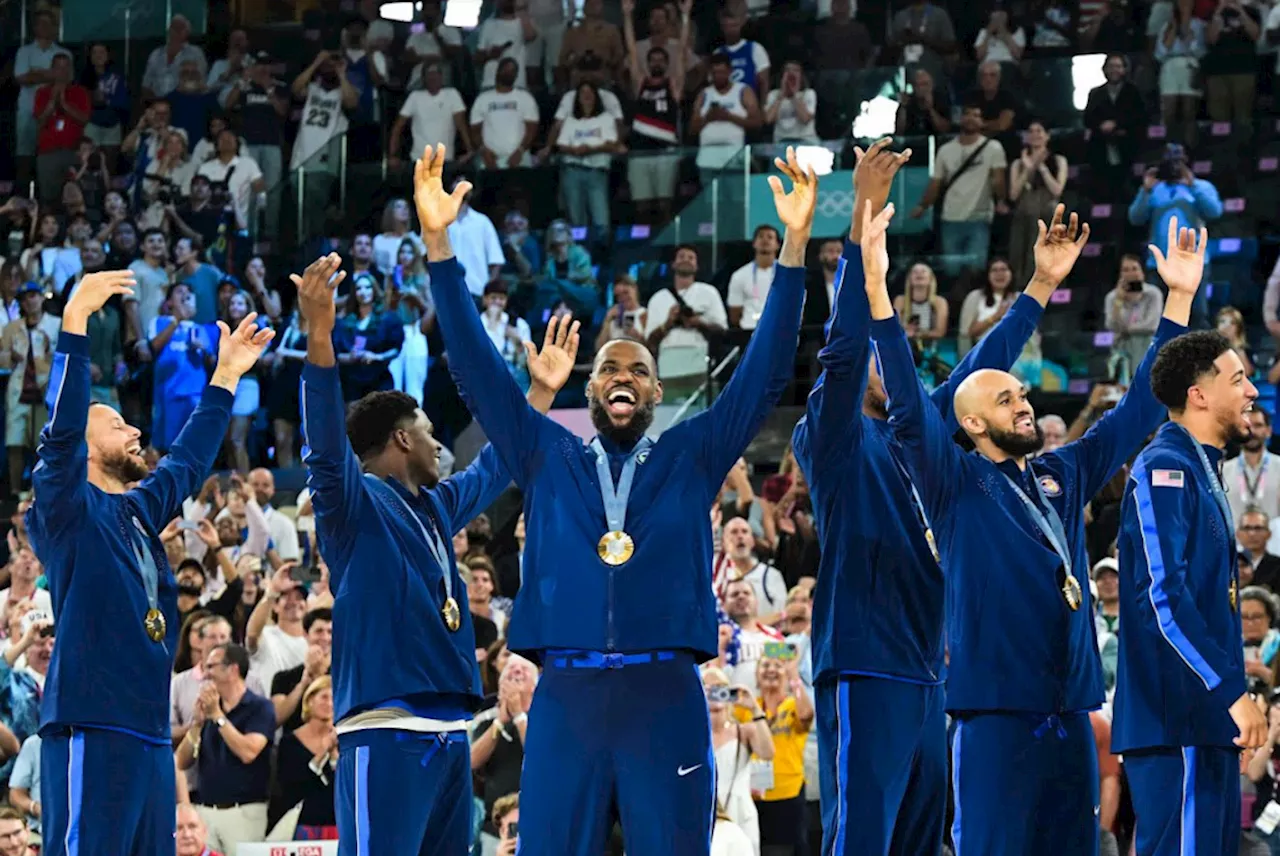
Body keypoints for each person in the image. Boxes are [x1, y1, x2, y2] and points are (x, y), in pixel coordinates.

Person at [417, 141, 814, 855]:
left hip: (666, 694)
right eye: (607, 369)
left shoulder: (692, 453)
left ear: (658, 393)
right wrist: (440, 246)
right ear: (590, 389)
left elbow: (762, 375)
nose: (621, 375)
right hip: (565, 695)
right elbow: (477, 369)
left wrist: (792, 249)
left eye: (636, 368)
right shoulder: (546, 452)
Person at [859, 206, 1201, 854]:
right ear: (974, 426)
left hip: (1073, 716)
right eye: (1006, 399)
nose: (1025, 403)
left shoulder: (1062, 474)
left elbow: (1137, 411)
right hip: (994, 720)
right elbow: (906, 405)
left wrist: (1179, 300)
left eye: (1023, 394)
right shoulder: (951, 480)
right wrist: (879, 292)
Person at [792, 141, 1066, 856]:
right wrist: (859, 227)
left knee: (922, 842)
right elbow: (846, 350)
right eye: (888, 353)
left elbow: (983, 369)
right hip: (863, 659)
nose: (895, 356)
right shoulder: (834, 437)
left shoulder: (922, 435)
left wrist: (1038, 288)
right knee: (861, 840)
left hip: (928, 667)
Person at [294, 251, 578, 856]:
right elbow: (323, 444)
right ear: (400, 438)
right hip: (387, 729)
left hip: (451, 729)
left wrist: (540, 393)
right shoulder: (353, 503)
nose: (438, 443)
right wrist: (320, 334)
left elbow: (498, 463)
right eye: (427, 429)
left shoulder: (436, 506)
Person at [26, 271, 273, 855]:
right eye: (117, 424)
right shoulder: (66, 507)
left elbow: (186, 461)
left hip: (151, 734)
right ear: (84, 446)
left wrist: (226, 377)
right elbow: (60, 436)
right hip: (92, 723)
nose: (136, 430)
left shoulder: (138, 514)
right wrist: (75, 324)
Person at [1113, 327, 1267, 856]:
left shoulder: (1201, 470)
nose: (1252, 391)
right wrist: (1231, 695)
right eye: (1239, 379)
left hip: (1200, 719)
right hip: (1174, 716)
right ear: (1199, 395)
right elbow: (1163, 598)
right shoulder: (1165, 467)